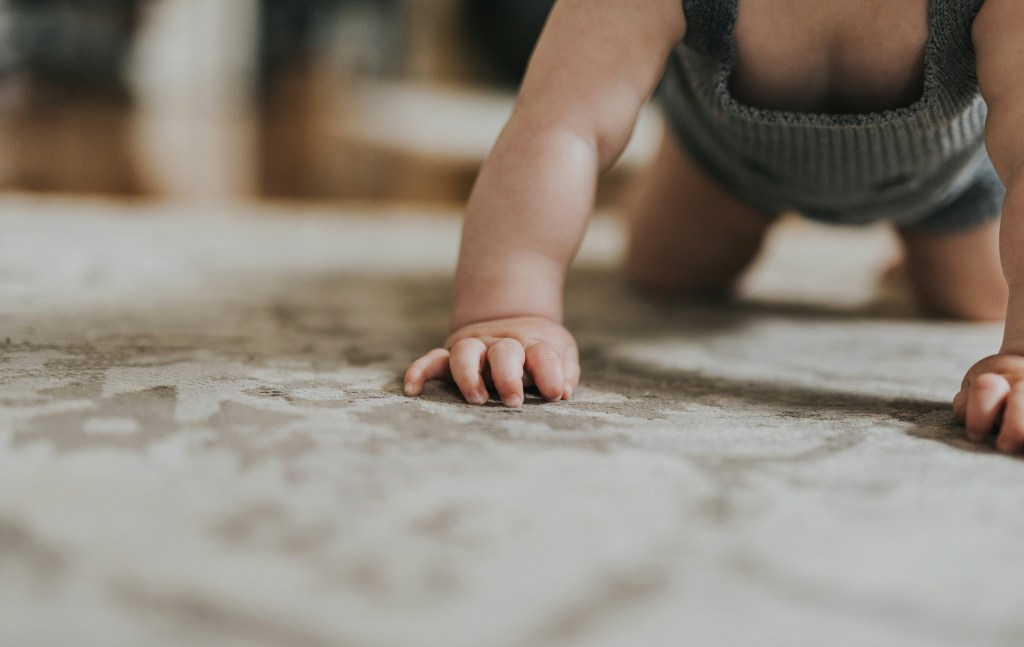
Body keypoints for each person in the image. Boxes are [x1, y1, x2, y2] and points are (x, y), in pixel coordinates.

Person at [403, 0, 1024, 453]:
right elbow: (561, 124)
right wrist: (507, 309)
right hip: (725, 164)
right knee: (665, 269)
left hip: (946, 182)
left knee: (971, 300)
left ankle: (917, 244)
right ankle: (666, 167)